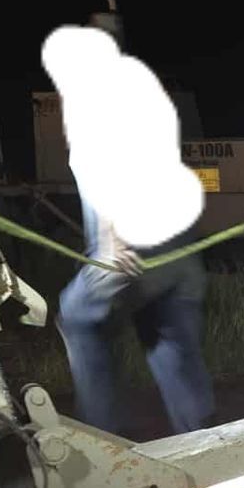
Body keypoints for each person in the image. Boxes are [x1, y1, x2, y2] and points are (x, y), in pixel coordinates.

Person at [43, 22, 216, 437]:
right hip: (179, 258)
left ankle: (102, 437)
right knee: (170, 342)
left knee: (76, 317)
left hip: (129, 251)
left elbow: (97, 163)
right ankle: (203, 438)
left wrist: (110, 240)